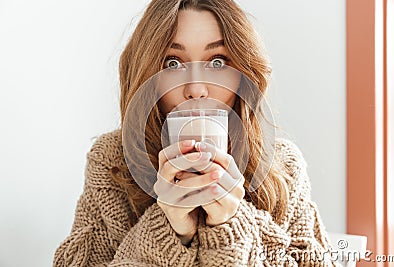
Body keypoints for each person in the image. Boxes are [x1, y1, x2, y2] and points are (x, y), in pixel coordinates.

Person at [54, 0, 340, 266]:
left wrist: (230, 225)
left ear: (243, 73)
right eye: (172, 63)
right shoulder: (112, 160)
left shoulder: (283, 166)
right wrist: (167, 228)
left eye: (217, 62)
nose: (196, 89)